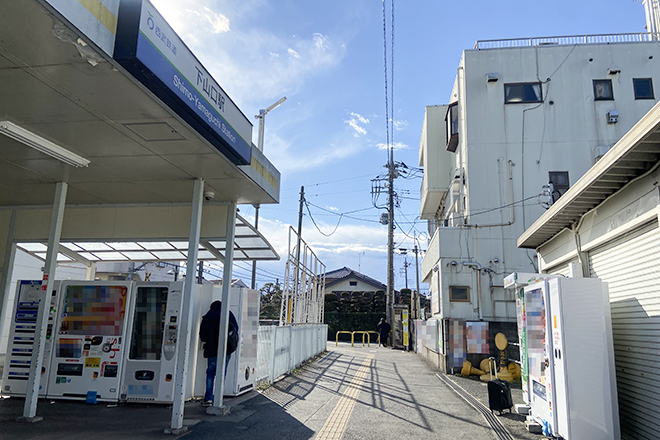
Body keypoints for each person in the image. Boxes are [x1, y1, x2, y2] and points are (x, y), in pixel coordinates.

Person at [199, 300, 239, 406]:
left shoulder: (207, 317)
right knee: (222, 373)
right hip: (226, 348)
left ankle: (208, 398)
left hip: (211, 349)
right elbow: (235, 329)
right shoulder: (228, 314)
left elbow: (202, 336)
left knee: (210, 373)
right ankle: (218, 397)